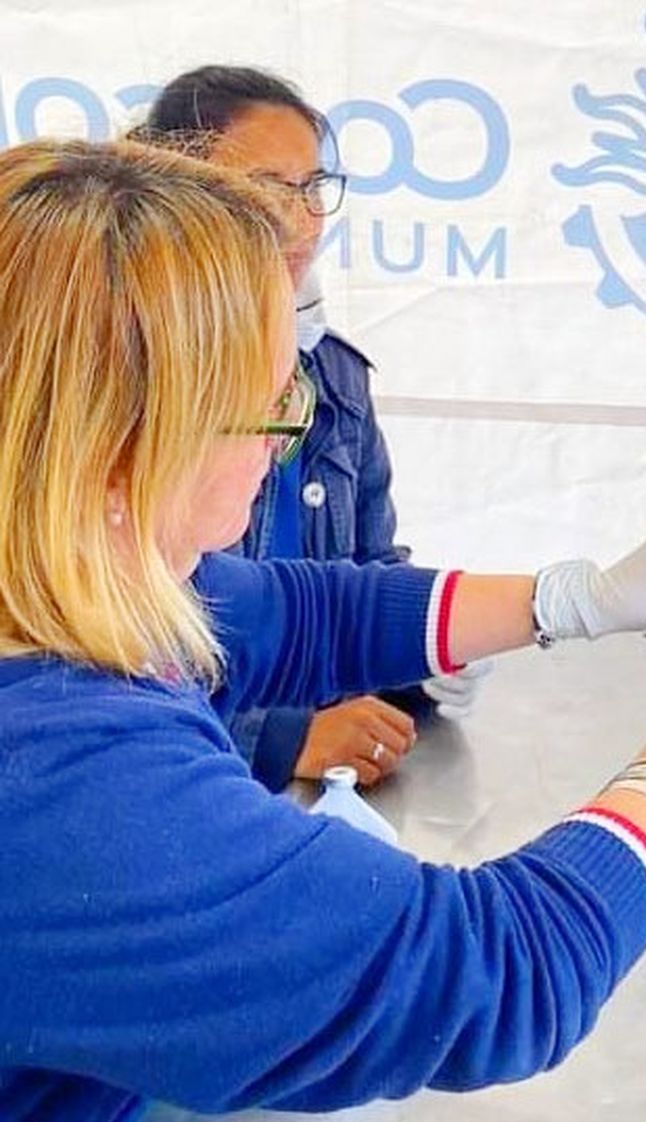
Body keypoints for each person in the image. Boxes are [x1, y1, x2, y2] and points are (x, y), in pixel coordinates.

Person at [0, 138, 646, 1121]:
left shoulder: (66, 572)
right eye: (268, 414)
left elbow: (296, 613)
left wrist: (575, 599)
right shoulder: (63, 790)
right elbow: (499, 973)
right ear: (123, 452)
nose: (290, 436)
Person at [140, 64, 459, 793]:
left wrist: (438, 647)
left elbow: (365, 570)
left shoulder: (335, 375)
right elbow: (107, 651)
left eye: (313, 187)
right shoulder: (122, 381)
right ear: (172, 189)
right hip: (190, 786)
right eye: (267, 186)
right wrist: (282, 739)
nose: (301, 218)